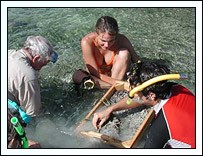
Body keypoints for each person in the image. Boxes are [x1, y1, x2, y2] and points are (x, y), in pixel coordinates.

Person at [92, 61, 195, 148]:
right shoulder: (176, 88)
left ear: (151, 96)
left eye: (135, 93)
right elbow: (138, 98)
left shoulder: (160, 127)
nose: (132, 96)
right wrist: (110, 109)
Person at [8, 35, 58, 148]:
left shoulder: (9, 53)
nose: (43, 67)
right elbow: (32, 113)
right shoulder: (28, 76)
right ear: (35, 59)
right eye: (44, 63)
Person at [72, 16, 141, 89]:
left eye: (111, 41)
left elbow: (138, 63)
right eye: (103, 40)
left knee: (124, 53)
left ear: (116, 36)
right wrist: (122, 84)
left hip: (117, 77)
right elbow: (95, 73)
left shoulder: (121, 40)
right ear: (97, 33)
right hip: (99, 80)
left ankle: (116, 89)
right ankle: (116, 88)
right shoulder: (87, 42)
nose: (107, 45)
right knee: (78, 75)